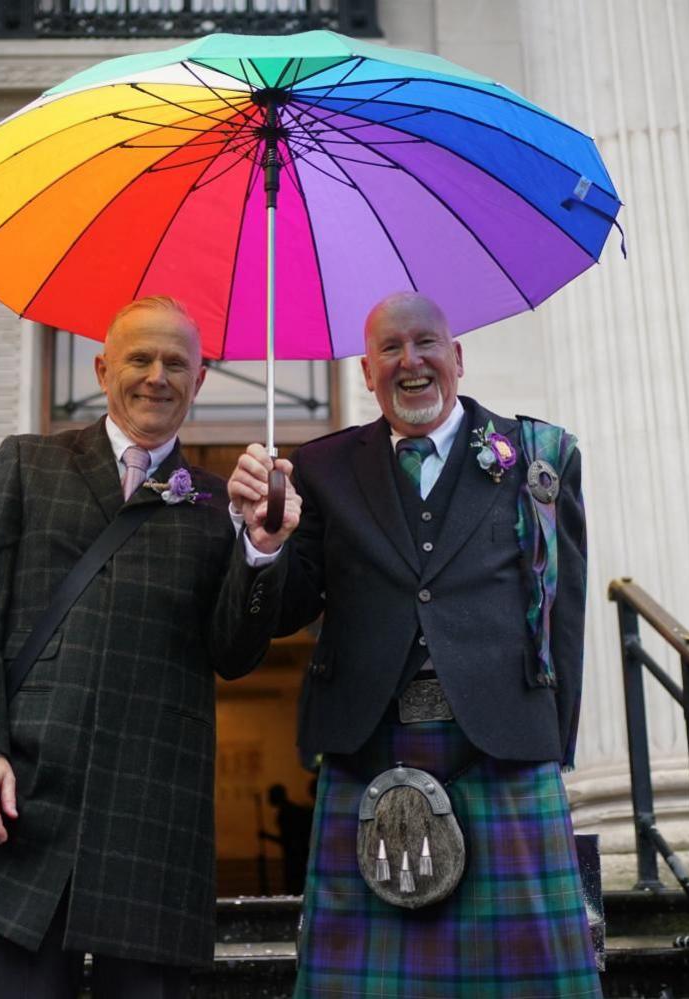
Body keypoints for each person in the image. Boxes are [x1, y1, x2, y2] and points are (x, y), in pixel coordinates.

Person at [229, 292, 601, 997]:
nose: (410, 361)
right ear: (366, 371)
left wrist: (553, 743)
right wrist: (263, 541)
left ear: (455, 355)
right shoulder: (322, 468)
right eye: (389, 350)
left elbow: (564, 610)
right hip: (370, 748)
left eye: (424, 342)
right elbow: (286, 611)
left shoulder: (536, 457)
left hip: (503, 753)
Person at [0, 296, 298, 999]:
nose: (156, 376)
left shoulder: (218, 505)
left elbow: (234, 652)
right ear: (103, 369)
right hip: (25, 798)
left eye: (176, 363)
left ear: (200, 377)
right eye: (140, 358)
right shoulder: (28, 463)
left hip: (151, 809)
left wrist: (259, 547)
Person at [258, 783, 314, 894]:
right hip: (298, 856)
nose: (269, 799)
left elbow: (288, 840)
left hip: (295, 857)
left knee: (295, 887)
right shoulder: (290, 810)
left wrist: (266, 836)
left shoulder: (286, 813)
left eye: (271, 795)